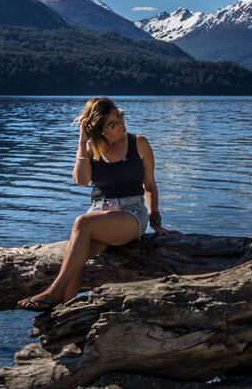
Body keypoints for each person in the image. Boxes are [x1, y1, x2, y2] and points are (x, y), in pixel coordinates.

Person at [17, 97, 168, 311]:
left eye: (121, 117)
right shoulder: (90, 150)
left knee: (81, 223)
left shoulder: (139, 143)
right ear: (100, 130)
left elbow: (150, 186)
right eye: (114, 124)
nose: (122, 125)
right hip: (99, 213)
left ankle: (53, 292)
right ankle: (65, 313)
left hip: (131, 213)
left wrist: (156, 222)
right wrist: (81, 142)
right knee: (75, 260)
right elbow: (81, 181)